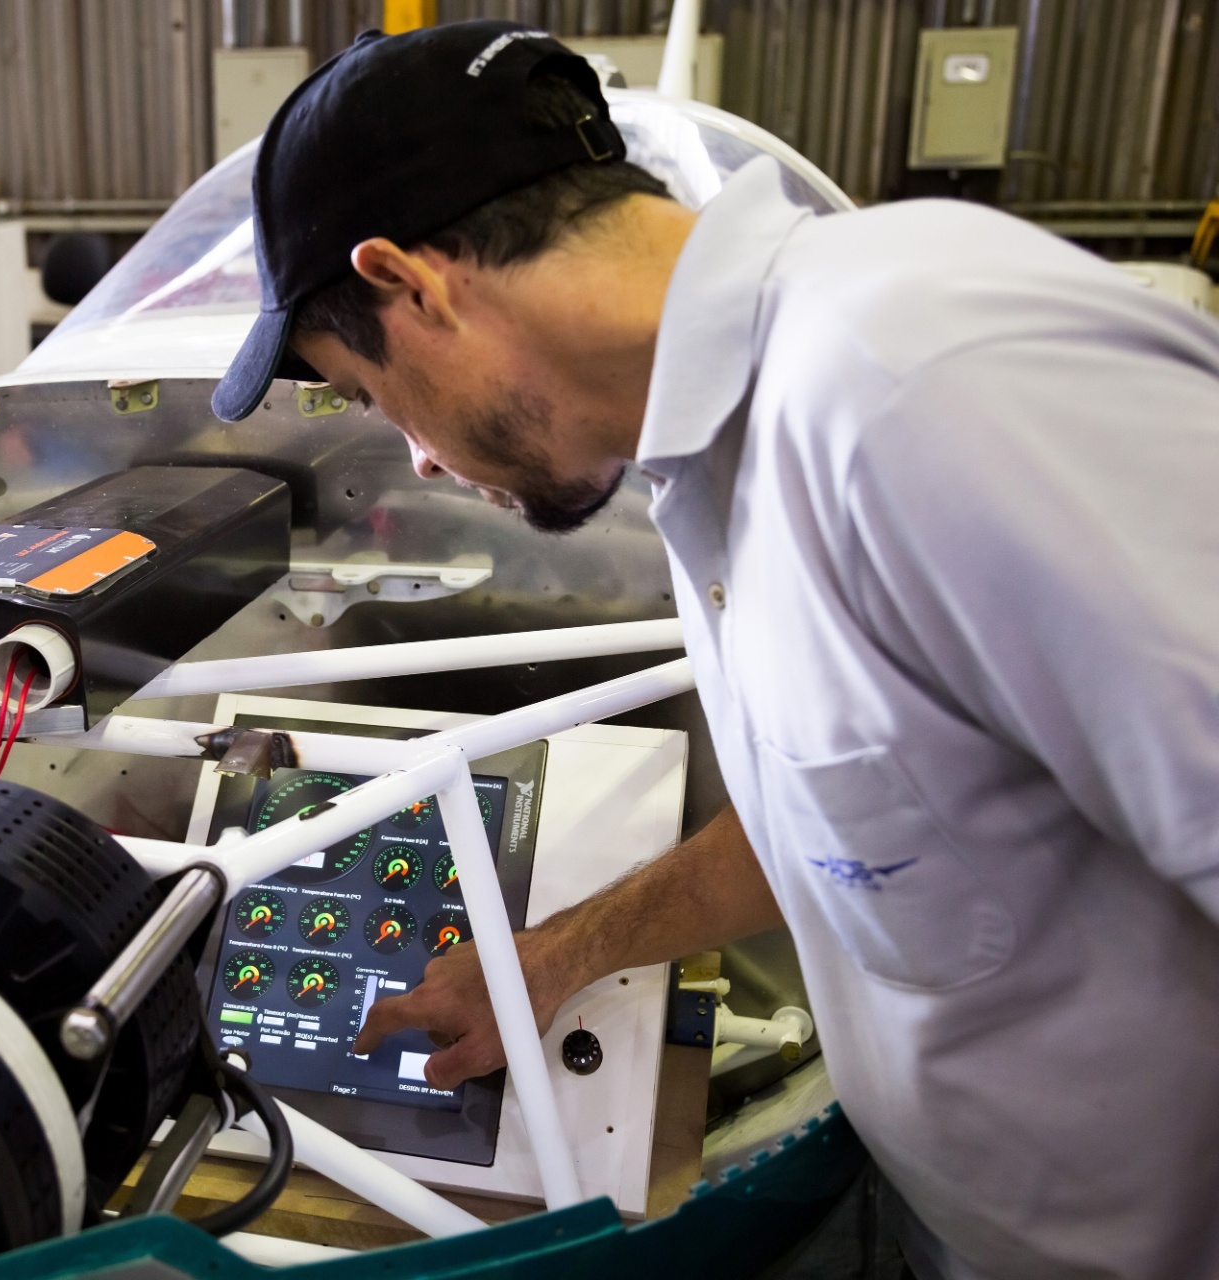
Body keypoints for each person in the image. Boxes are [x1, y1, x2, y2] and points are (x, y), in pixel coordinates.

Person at [210, 21, 1219, 1280]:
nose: (412, 455)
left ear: (412, 284)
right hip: (939, 1218)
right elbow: (859, 812)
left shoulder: (925, 388)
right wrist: (553, 958)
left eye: (365, 392)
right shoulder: (710, 450)